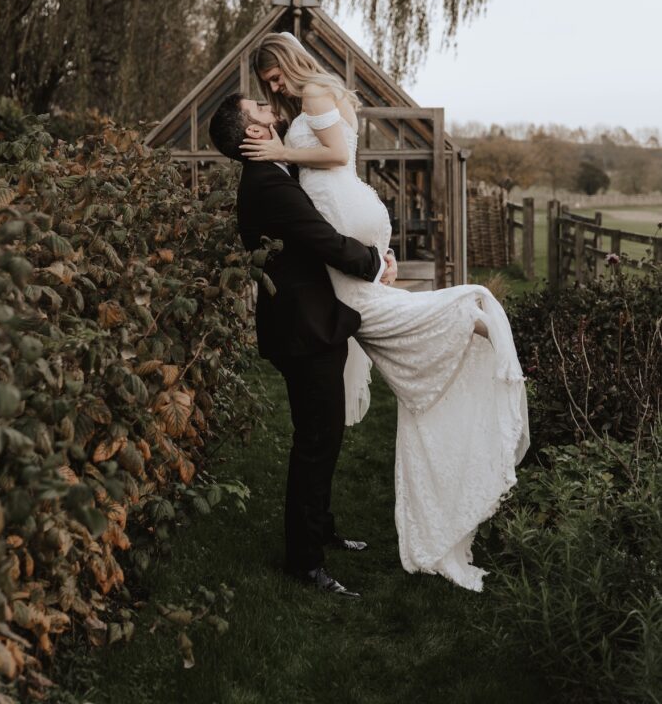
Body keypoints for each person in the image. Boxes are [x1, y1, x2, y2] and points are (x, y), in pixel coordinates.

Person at [239, 30, 530, 592]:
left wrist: (282, 153)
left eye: (274, 77)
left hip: (342, 234)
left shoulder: (312, 100)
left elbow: (339, 156)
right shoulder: (298, 122)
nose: (271, 89)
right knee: (366, 323)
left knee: (364, 327)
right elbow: (317, 210)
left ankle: (456, 321)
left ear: (290, 62)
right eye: (265, 87)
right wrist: (373, 258)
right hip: (337, 254)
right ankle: (453, 325)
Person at [208, 94, 394, 597]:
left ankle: (322, 529)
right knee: (316, 441)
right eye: (260, 110)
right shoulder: (267, 182)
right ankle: (303, 562)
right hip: (303, 329)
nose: (271, 109)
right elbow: (321, 239)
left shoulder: (271, 175)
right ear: (250, 133)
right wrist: (375, 263)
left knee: (324, 436)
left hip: (306, 323)